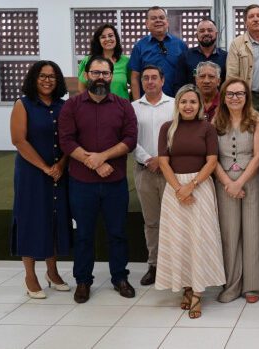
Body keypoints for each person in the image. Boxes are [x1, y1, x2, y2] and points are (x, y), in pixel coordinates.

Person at [58, 56, 138, 304]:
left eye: (105, 73)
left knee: (118, 233)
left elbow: (130, 140)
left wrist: (102, 157)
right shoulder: (71, 106)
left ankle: (119, 277)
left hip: (115, 182)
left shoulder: (124, 106)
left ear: (111, 76)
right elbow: (66, 141)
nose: (100, 78)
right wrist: (93, 162)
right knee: (84, 234)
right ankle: (83, 281)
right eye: (95, 73)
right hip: (81, 183)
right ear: (87, 75)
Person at [155, 84, 225, 319]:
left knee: (199, 238)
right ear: (177, 104)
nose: (188, 106)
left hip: (200, 188)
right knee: (180, 239)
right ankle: (185, 285)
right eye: (183, 101)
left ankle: (197, 292)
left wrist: (191, 186)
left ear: (200, 105)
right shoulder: (167, 128)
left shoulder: (207, 128)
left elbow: (212, 161)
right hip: (174, 189)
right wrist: (179, 189)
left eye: (193, 102)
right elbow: (163, 162)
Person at [10, 61, 71, 299]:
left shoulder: (63, 106)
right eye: (43, 76)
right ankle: (30, 276)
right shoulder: (23, 104)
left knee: (54, 218)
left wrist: (61, 165)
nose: (47, 80)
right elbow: (19, 140)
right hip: (32, 174)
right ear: (34, 78)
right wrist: (45, 168)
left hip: (58, 172)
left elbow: (70, 140)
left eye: (52, 76)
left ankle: (52, 272)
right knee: (30, 219)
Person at [212, 77, 259, 304]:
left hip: (252, 180)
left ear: (247, 97)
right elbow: (212, 157)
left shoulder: (257, 119)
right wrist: (228, 182)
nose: (235, 98)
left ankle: (254, 285)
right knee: (229, 233)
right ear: (223, 97)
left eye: (239, 93)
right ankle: (232, 285)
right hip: (224, 182)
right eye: (230, 94)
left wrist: (240, 183)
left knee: (254, 232)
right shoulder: (216, 120)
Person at [131, 65, 174, 286]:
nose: (150, 81)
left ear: (162, 81)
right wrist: (148, 159)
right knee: (151, 221)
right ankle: (154, 265)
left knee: (174, 220)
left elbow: (179, 136)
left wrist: (162, 159)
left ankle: (174, 265)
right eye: (146, 78)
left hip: (171, 171)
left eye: (154, 77)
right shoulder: (133, 108)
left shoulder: (174, 105)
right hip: (144, 170)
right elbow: (129, 138)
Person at [129, 6, 188, 100]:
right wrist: (137, 103)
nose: (158, 20)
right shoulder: (139, 46)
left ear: (167, 22)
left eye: (161, 17)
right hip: (147, 102)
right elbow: (135, 77)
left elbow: (186, 75)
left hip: (176, 101)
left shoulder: (180, 45)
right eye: (153, 18)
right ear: (147, 23)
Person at [77, 23, 130, 99]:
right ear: (98, 41)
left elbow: (134, 83)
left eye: (111, 36)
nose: (107, 39)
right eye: (103, 37)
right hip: (97, 105)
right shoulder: (89, 60)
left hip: (121, 105)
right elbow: (81, 87)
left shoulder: (126, 61)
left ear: (116, 38)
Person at [176, 18, 227, 91]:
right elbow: (179, 85)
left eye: (210, 30)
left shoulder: (226, 57)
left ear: (216, 34)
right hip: (192, 98)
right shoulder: (185, 57)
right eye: (202, 31)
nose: (206, 33)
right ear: (197, 35)